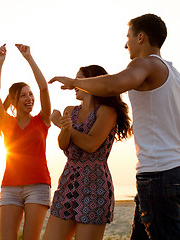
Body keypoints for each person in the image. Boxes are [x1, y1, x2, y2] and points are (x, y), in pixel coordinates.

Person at [50, 14, 180, 240]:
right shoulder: (173, 74)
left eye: (128, 37)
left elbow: (114, 85)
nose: (125, 43)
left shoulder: (145, 63)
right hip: (163, 175)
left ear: (141, 37)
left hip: (160, 177)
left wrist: (75, 82)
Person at [44, 65, 132, 240]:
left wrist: (62, 124)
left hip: (95, 184)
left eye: (80, 80)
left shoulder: (107, 112)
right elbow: (63, 145)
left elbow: (91, 144)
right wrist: (65, 129)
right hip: (69, 180)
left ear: (93, 83)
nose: (75, 85)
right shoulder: (70, 110)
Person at [0, 44, 51, 240]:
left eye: (30, 94)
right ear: (14, 101)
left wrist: (29, 58)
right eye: (23, 95)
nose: (29, 98)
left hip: (38, 186)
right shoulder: (6, 123)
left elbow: (43, 88)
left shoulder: (42, 120)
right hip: (10, 187)